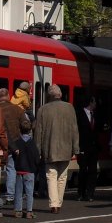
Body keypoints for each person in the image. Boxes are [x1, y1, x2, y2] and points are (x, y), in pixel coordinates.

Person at [33, 84, 79, 214]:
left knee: (51, 175)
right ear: (60, 95)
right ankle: (58, 202)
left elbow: (38, 132)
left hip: (49, 148)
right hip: (66, 148)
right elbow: (74, 130)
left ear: (49, 95)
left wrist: (38, 150)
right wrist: (75, 148)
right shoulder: (70, 108)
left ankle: (54, 204)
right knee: (63, 176)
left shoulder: (42, 109)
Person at [0, 87, 25, 207]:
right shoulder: (17, 109)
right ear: (8, 96)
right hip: (14, 144)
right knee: (11, 169)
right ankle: (10, 195)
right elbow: (25, 125)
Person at [10, 117, 39, 218]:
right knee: (29, 192)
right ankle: (29, 211)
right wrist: (35, 168)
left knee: (18, 191)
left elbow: (14, 155)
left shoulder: (17, 143)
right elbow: (36, 158)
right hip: (29, 171)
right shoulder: (32, 144)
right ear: (30, 130)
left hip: (19, 170)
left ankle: (18, 210)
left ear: (20, 129)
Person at [75, 96, 99, 201]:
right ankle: (81, 192)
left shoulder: (96, 115)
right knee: (83, 170)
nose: (96, 105)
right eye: (94, 102)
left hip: (94, 148)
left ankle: (90, 193)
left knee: (93, 170)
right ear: (91, 103)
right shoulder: (79, 114)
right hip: (83, 146)